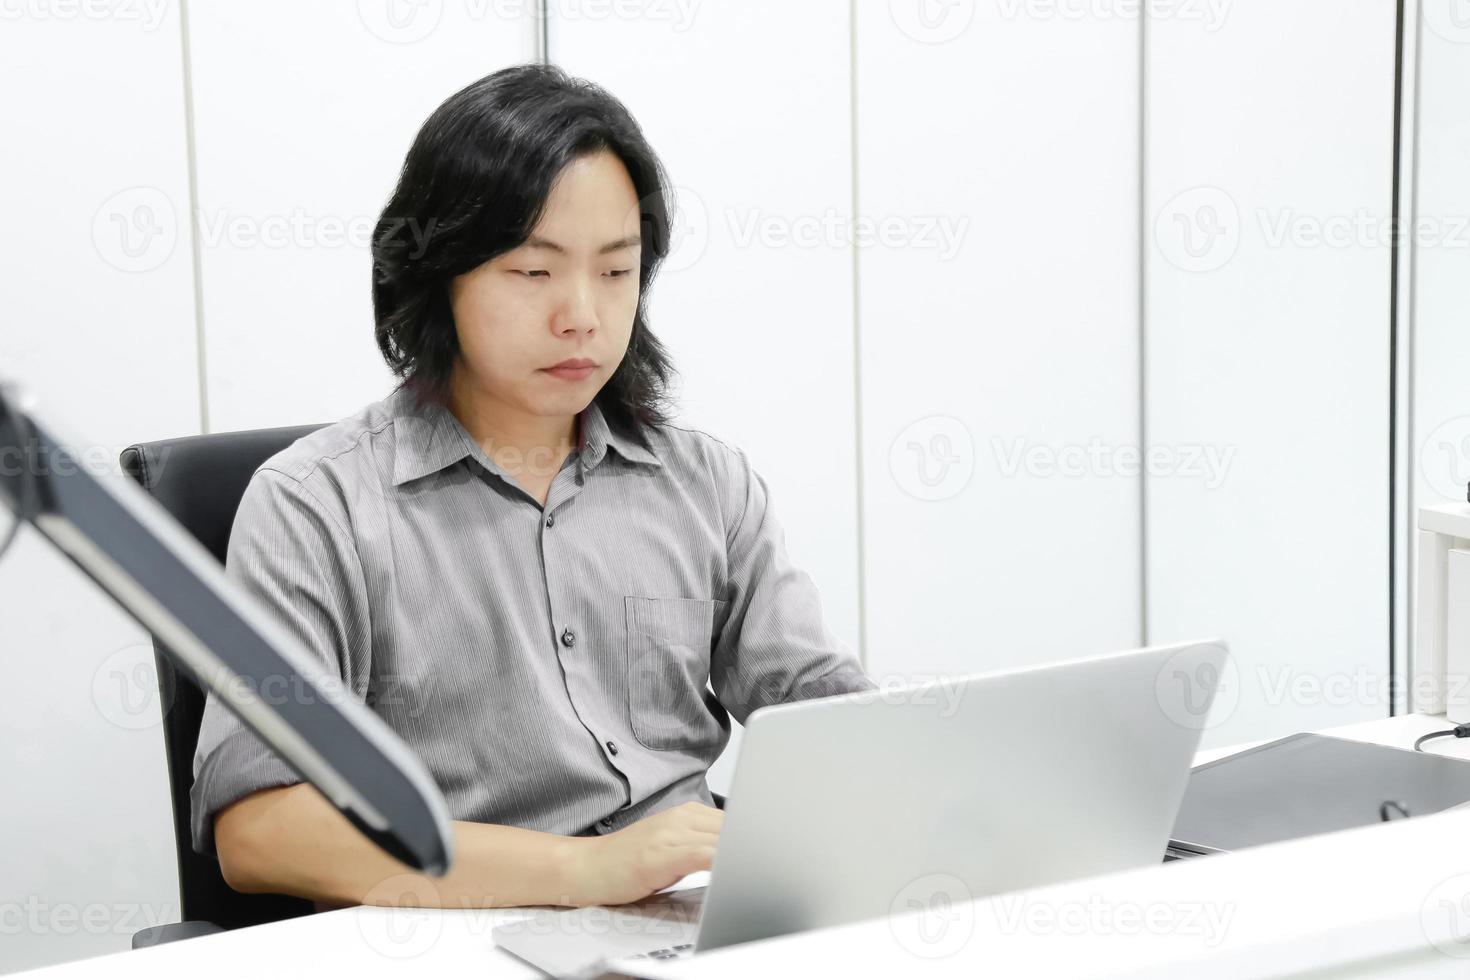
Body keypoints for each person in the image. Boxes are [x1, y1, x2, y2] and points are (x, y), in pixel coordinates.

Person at [196, 63, 873, 911]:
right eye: (533, 271)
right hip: (464, 935)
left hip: (691, 924)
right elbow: (259, 831)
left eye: (617, 272)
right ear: (438, 273)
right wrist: (586, 871)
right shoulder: (316, 505)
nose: (583, 314)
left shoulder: (705, 483)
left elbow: (822, 717)